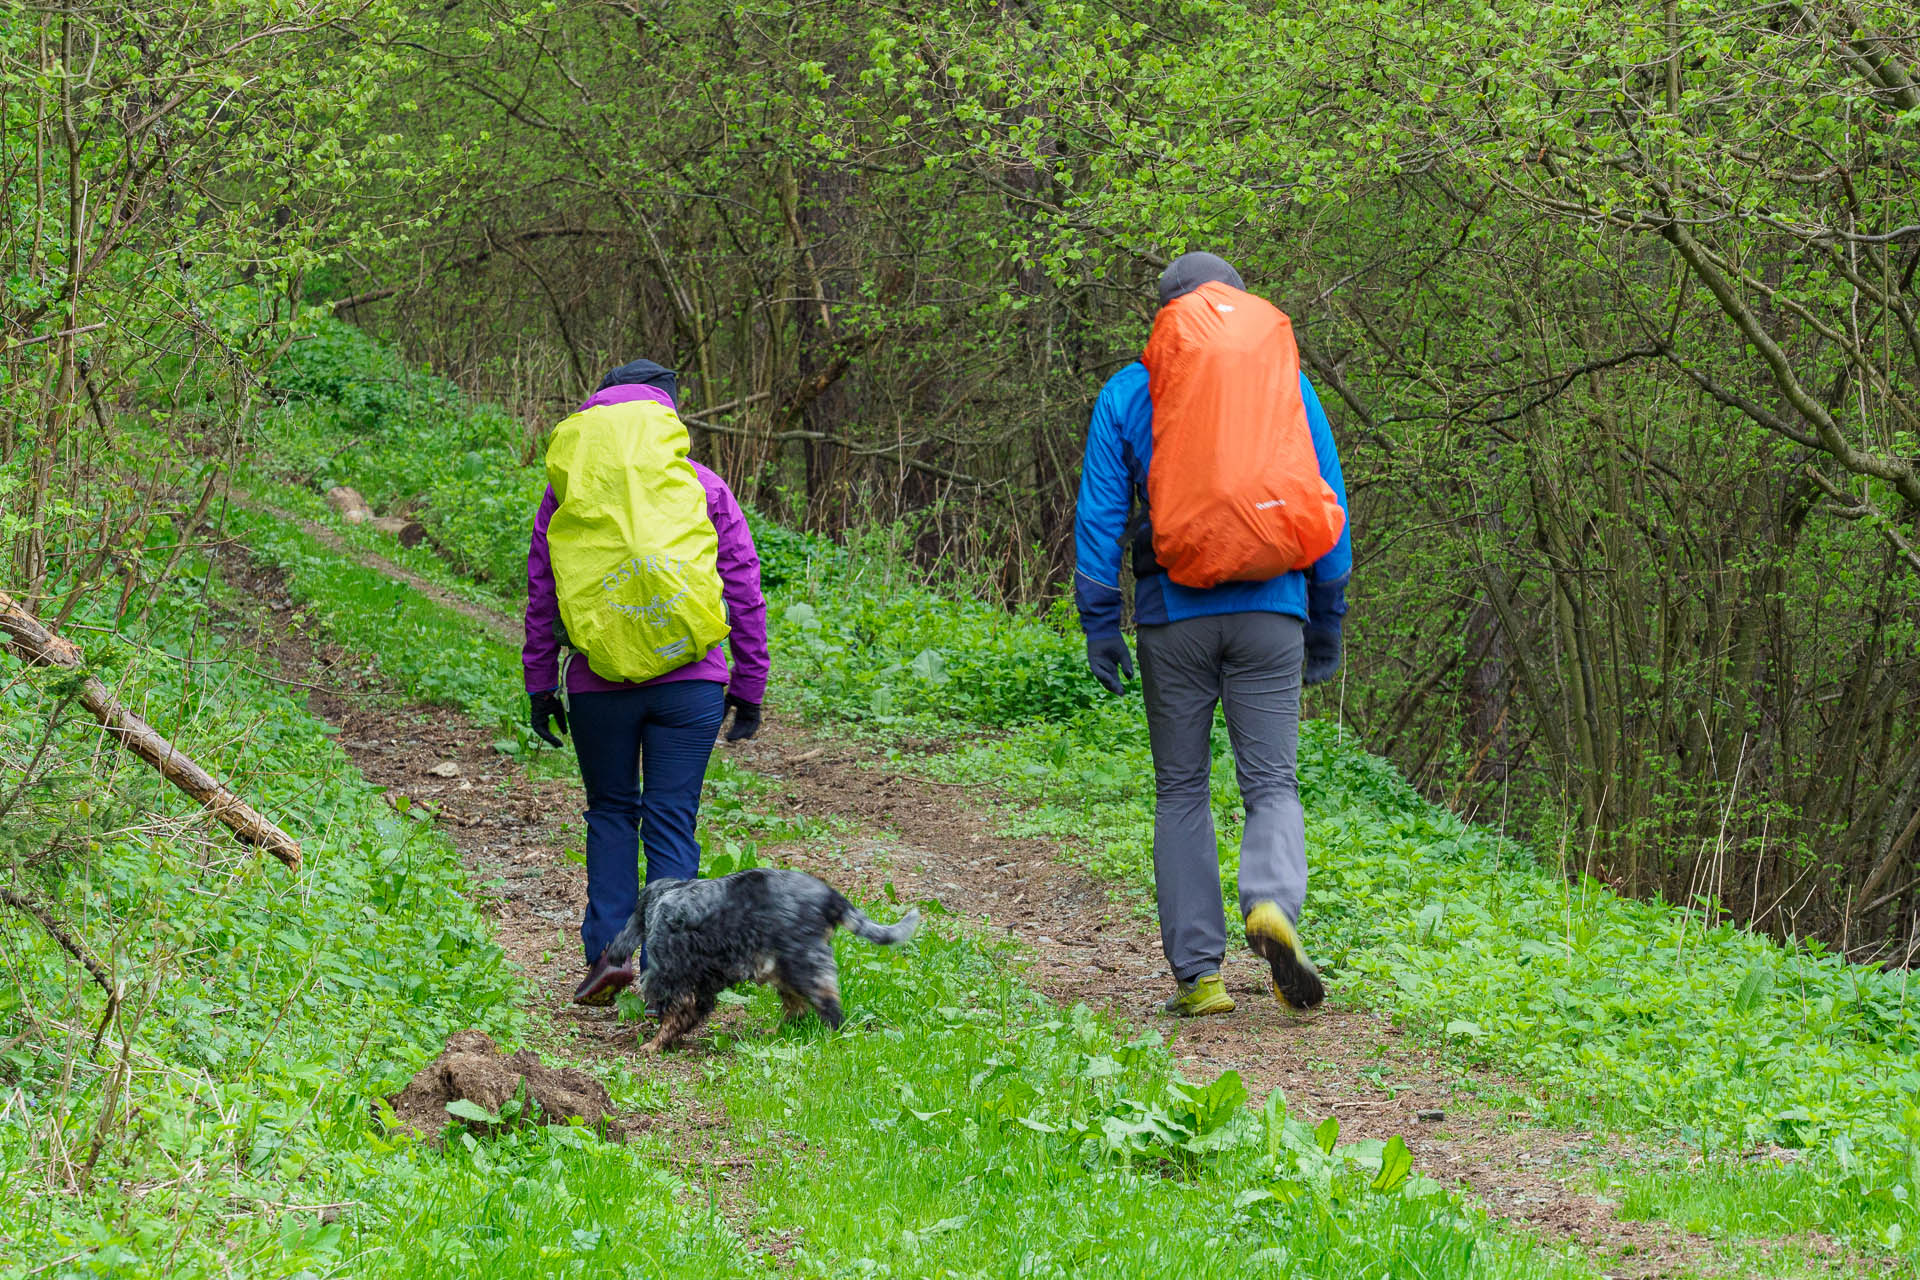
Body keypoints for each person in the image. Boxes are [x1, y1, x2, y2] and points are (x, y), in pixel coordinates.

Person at [1073, 252, 1352, 1017]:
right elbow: (1329, 505)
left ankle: (1199, 976)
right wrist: (1327, 617)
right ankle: (1272, 904)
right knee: (1272, 782)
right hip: (1274, 613)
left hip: (1175, 614)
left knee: (1183, 790)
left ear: (1164, 314)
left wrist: (1101, 622)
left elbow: (1099, 519)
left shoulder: (1131, 391)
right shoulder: (1287, 382)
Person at [521, 359, 770, 1001]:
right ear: (669, 414)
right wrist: (748, 685)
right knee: (670, 821)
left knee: (609, 812)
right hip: (690, 685)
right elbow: (742, 589)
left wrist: (540, 683)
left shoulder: (567, 493)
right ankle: (672, 963)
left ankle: (609, 955)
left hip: (600, 686)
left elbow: (544, 593)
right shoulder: (702, 486)